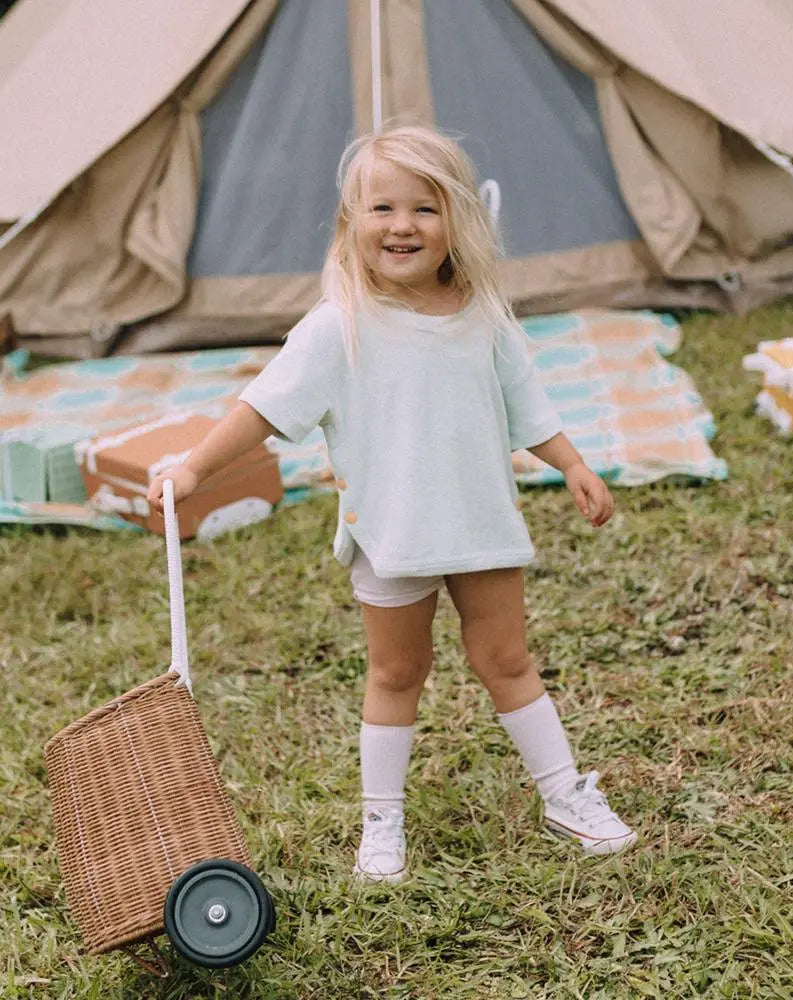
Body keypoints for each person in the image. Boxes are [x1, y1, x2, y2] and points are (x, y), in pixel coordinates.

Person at [147, 124, 637, 884]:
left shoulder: (483, 317)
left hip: (480, 528)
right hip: (392, 532)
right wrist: (192, 469)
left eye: (425, 209)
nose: (402, 226)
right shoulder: (338, 326)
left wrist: (570, 462)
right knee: (397, 672)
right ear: (352, 224)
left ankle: (565, 793)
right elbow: (264, 411)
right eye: (382, 208)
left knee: (507, 658)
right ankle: (383, 819)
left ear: (458, 223)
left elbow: (526, 404)